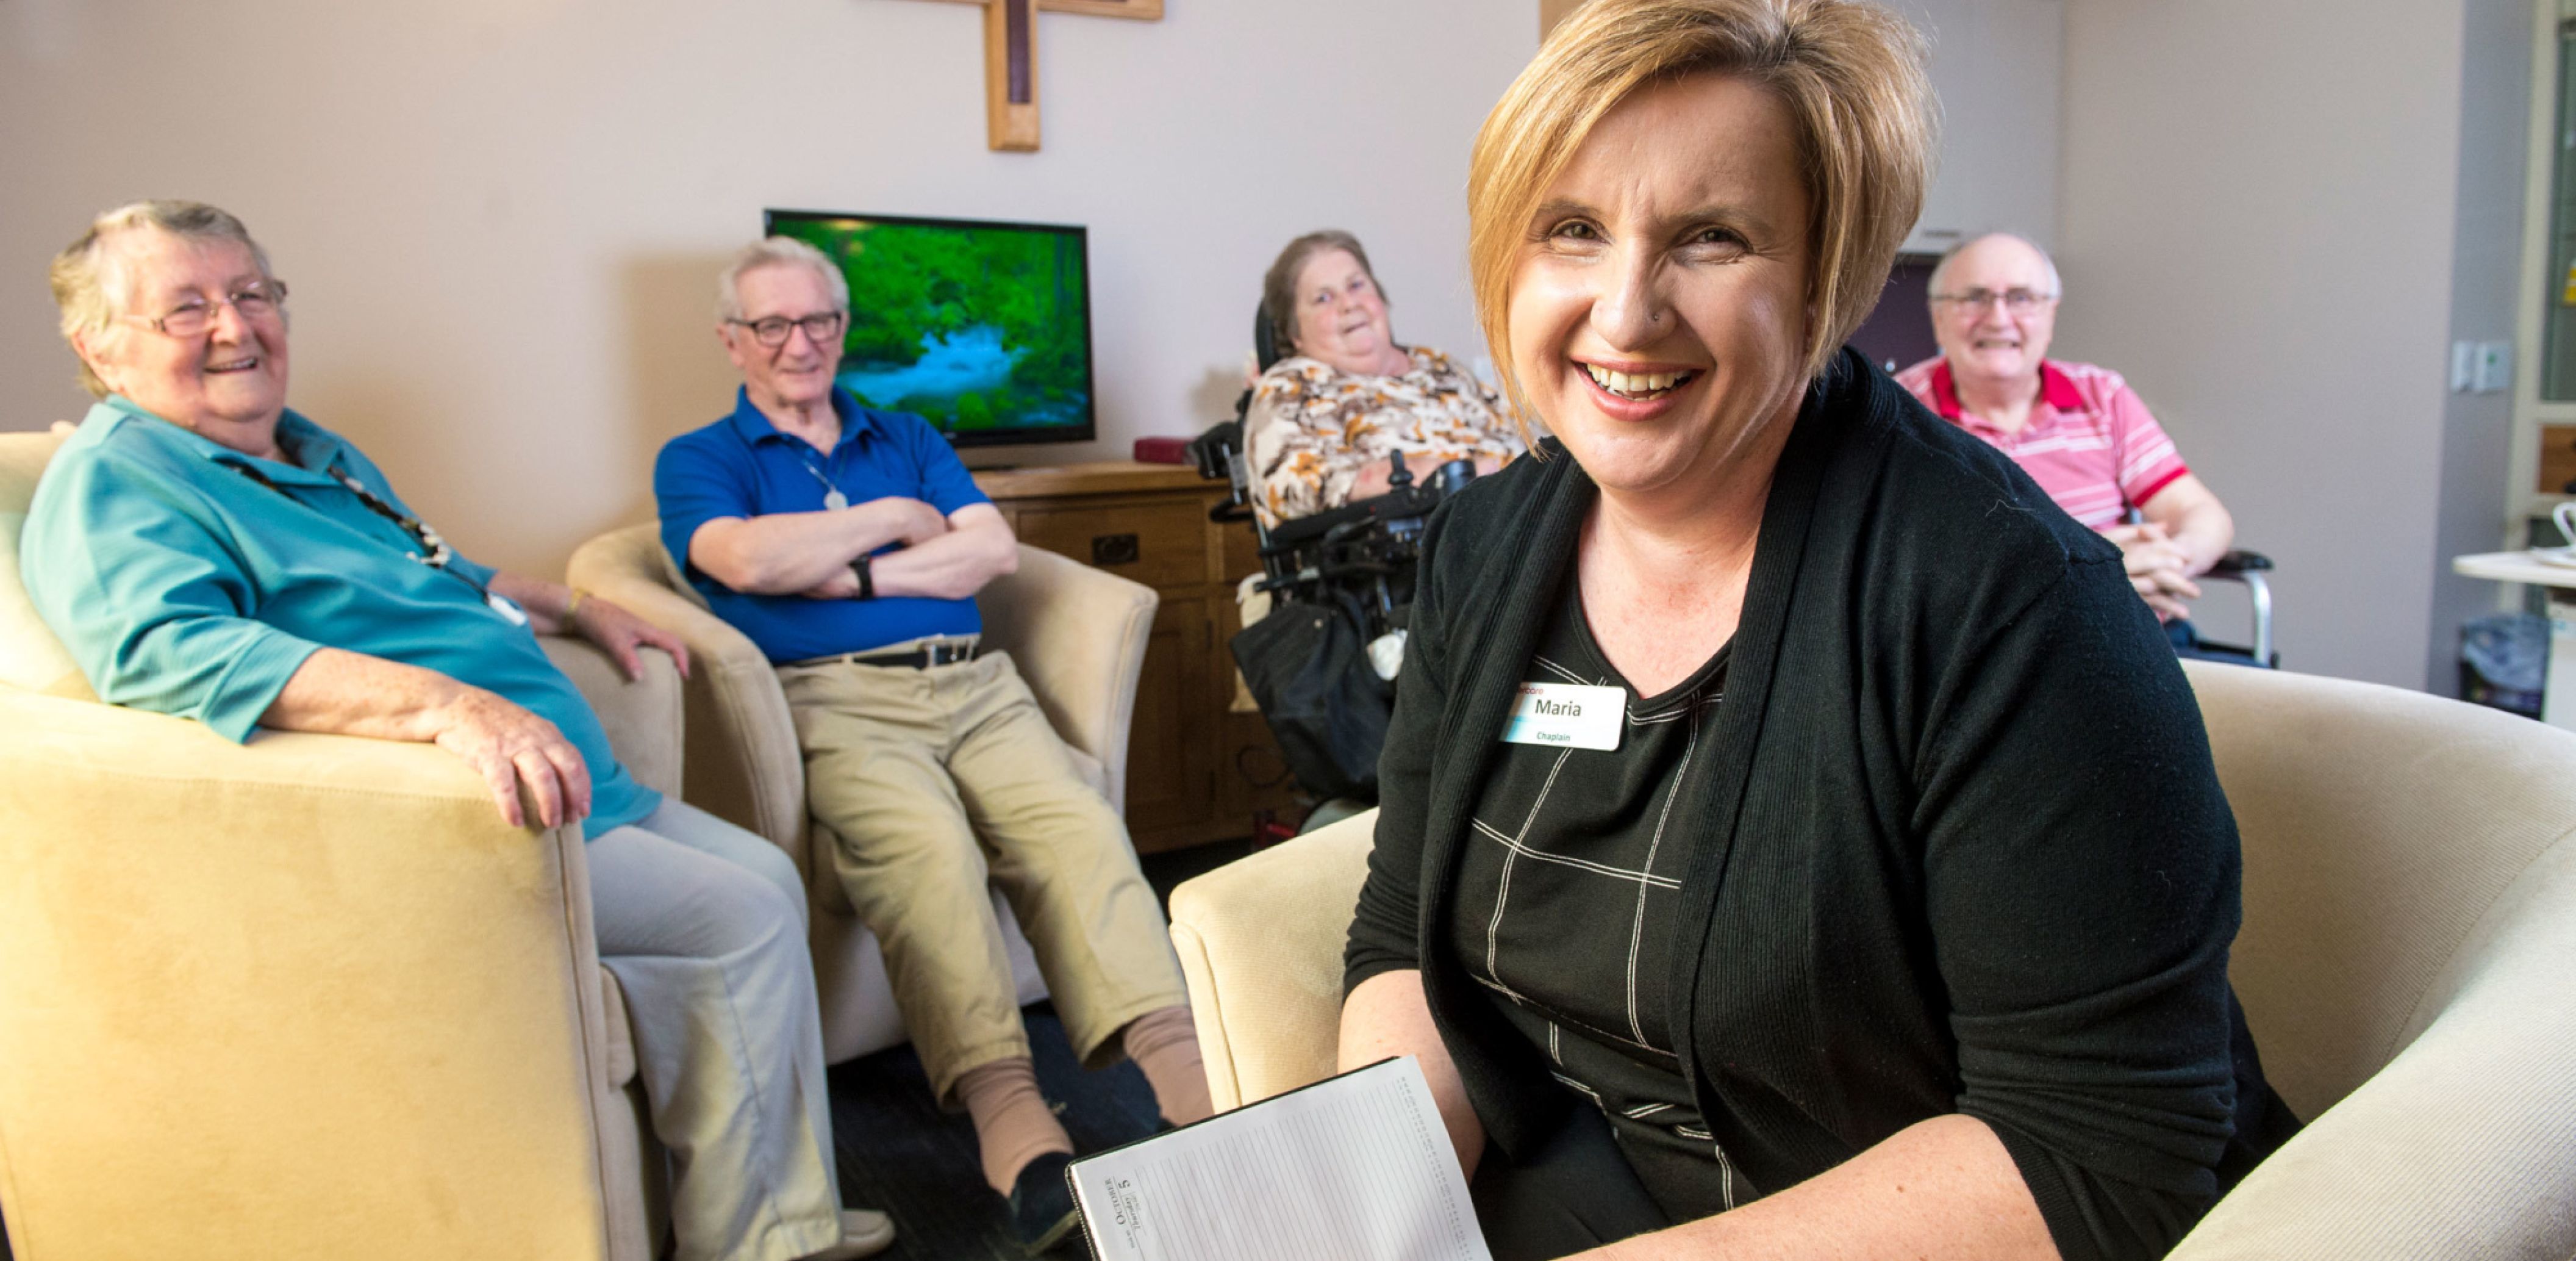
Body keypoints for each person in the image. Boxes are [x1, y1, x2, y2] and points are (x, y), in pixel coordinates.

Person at [1336, 4, 2296, 1261]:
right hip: (1582, 1188)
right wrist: (1363, 1217)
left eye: (1713, 238)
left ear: (1829, 276)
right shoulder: (1486, 547)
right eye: (1572, 228)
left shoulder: (2010, 604)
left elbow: (2092, 1151)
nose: (1624, 315)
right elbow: (1406, 933)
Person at [23, 202, 892, 1261]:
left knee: (764, 874)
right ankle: (762, 1239)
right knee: (739, 915)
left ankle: (771, 1206)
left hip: (567, 778)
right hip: (458, 818)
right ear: (98, 345)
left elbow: (438, 574)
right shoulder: (119, 479)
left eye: (252, 294)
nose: (233, 328)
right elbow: (168, 651)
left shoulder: (309, 450)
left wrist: (573, 605)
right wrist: (450, 706)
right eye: (186, 308)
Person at [651, 237, 1212, 1254]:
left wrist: (848, 575)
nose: (798, 343)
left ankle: (1192, 1094)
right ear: (732, 340)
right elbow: (739, 555)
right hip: (837, 705)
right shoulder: (702, 458)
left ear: (842, 326)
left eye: (817, 319)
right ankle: (1021, 1143)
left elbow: (989, 548)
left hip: (977, 685)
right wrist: (899, 522)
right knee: (925, 860)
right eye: (772, 325)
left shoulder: (901, 429)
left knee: (1075, 829)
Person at [1894, 232, 2240, 647]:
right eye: (1974, 298)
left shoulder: (2102, 396)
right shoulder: (1900, 413)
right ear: (1938, 316)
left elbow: (2201, 513)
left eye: (2021, 298)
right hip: (1997, 654)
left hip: (2140, 636)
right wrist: (2101, 569)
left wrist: (2167, 561)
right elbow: (1908, 569)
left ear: (2051, 315)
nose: (1999, 318)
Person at [1242, 230, 1526, 527]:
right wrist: (1457, 475)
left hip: (1523, 518)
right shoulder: (1291, 387)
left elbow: (1520, 438)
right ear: (1293, 332)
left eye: (1356, 285)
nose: (1349, 304)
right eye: (1323, 298)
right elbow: (1298, 483)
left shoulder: (1438, 366)